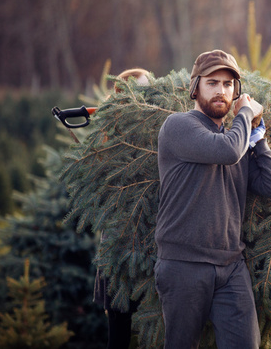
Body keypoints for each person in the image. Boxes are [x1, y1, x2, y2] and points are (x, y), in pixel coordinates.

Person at [155, 49, 271, 349]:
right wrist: (244, 112)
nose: (221, 91)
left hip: (231, 267)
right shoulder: (178, 126)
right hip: (183, 266)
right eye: (213, 83)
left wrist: (258, 138)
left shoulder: (238, 142)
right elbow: (226, 150)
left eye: (229, 85)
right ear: (195, 88)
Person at [93, 67, 151, 349]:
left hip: (154, 248)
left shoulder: (158, 134)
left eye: (147, 90)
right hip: (120, 248)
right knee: (120, 330)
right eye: (136, 91)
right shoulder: (111, 136)